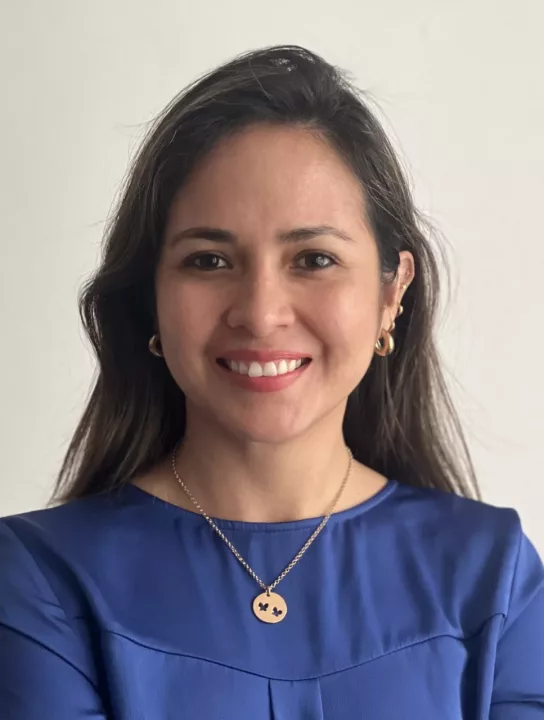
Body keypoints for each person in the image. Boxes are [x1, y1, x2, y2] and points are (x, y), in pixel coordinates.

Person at [0, 45, 542, 719]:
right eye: (209, 260)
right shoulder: (42, 579)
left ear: (391, 293)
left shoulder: (493, 576)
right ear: (150, 299)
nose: (260, 313)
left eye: (313, 259)